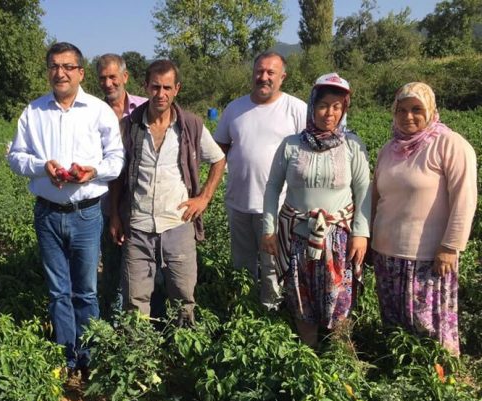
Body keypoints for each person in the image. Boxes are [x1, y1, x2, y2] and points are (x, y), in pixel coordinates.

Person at [8, 42, 125, 381]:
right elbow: (15, 157)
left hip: (87, 213)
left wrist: (92, 171)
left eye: (68, 67)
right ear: (48, 71)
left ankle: (88, 355)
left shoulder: (99, 110)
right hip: (47, 214)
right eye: (54, 66)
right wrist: (42, 167)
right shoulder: (34, 112)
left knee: (85, 290)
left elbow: (116, 160)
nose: (60, 72)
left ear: (80, 73)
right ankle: (66, 355)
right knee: (58, 291)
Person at [109, 59, 226, 324]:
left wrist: (204, 197)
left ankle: (182, 355)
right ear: (145, 87)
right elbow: (118, 174)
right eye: (155, 87)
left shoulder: (191, 126)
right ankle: (139, 357)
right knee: (134, 300)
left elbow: (218, 159)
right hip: (137, 227)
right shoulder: (129, 127)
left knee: (183, 296)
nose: (160, 94)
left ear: (177, 89)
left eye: (166, 88)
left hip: (178, 223)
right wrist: (115, 214)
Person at [262, 73, 371, 347]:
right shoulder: (291, 145)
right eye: (324, 105)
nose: (329, 113)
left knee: (340, 299)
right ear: (312, 106)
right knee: (302, 297)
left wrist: (361, 233)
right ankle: (308, 355)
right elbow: (273, 187)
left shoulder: (352, 146)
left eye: (337, 107)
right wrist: (268, 229)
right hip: (297, 236)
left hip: (339, 239)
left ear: (344, 109)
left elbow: (363, 190)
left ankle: (339, 358)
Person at [371, 82, 477, 356]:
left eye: (417, 109)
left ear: (431, 110)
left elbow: (465, 197)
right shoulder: (389, 149)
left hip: (429, 257)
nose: (408, 116)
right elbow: (375, 197)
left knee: (429, 326)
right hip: (387, 254)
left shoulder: (449, 144)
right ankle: (401, 379)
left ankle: (439, 383)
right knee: (396, 329)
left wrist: (450, 246)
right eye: (402, 110)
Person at [214, 51, 306, 309]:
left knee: (272, 266)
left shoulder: (296, 109)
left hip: (277, 207)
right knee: (241, 265)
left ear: (283, 77)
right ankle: (244, 310)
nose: (263, 77)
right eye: (259, 71)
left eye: (270, 73)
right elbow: (219, 149)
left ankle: (271, 315)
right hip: (239, 202)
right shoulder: (235, 108)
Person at [96, 53, 149, 318]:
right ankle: (110, 319)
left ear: (125, 77)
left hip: (143, 202)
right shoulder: (93, 112)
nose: (108, 83)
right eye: (103, 78)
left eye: (113, 77)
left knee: (143, 265)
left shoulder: (145, 108)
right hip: (105, 202)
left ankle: (141, 317)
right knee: (112, 262)